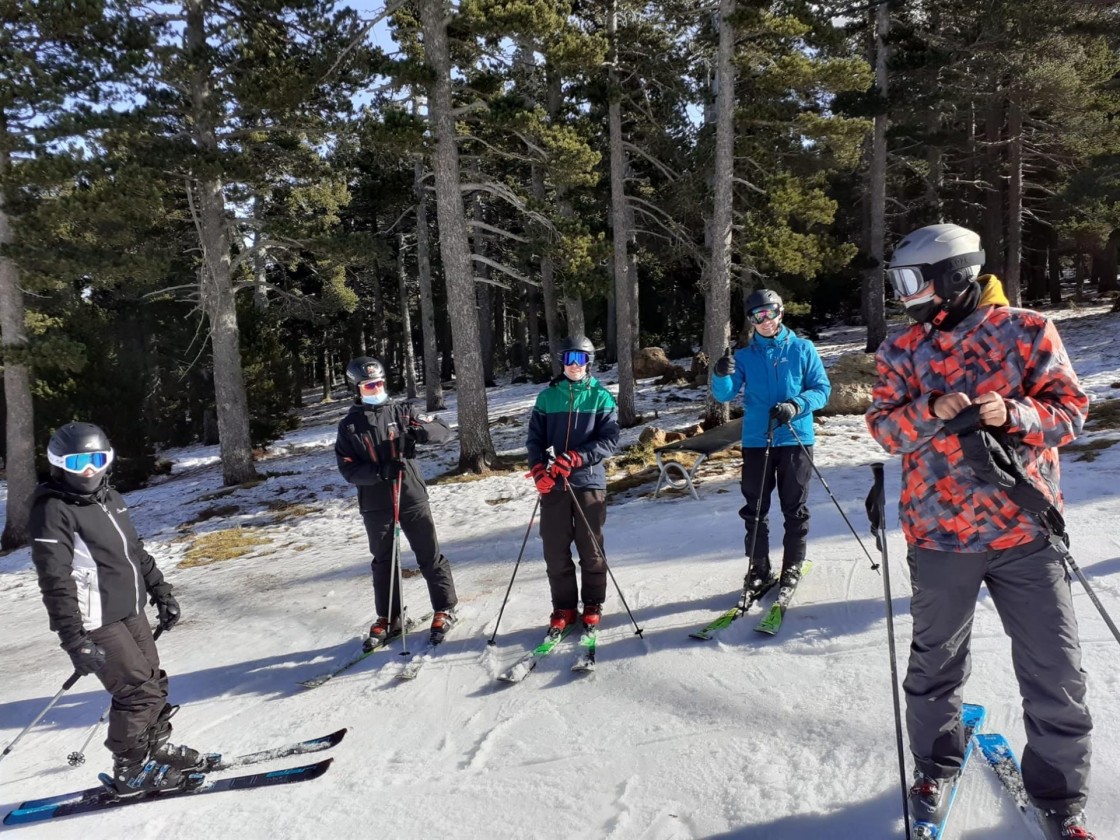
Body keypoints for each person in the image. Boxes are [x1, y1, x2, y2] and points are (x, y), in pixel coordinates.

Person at [866, 223, 1095, 840]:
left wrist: (1014, 413)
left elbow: (1071, 410)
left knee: (1055, 670)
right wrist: (930, 409)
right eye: (899, 282)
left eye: (912, 281)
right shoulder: (901, 349)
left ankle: (1060, 795)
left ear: (953, 277)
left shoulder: (1026, 331)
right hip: (939, 537)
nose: (905, 295)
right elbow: (884, 432)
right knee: (936, 664)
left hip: (1025, 533)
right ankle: (934, 767)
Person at [29, 422, 198, 795]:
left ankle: (155, 749)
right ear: (59, 463)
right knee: (137, 693)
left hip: (129, 607)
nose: (88, 470)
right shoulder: (53, 510)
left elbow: (133, 551)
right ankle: (129, 770)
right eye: (77, 462)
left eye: (95, 459)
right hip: (94, 618)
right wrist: (74, 639)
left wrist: (160, 590)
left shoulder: (110, 497)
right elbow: (54, 580)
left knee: (153, 681)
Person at [710, 289, 832, 593]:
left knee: (794, 507)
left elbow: (822, 389)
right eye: (757, 316)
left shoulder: (803, 349)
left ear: (781, 311)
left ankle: (792, 566)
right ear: (751, 320)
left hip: (795, 438)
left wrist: (796, 405)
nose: (765, 321)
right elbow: (724, 394)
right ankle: (758, 568)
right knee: (755, 509)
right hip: (757, 440)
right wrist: (720, 374)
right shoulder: (744, 357)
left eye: (770, 313)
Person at [335, 356, 458, 649]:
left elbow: (443, 430)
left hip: (411, 494)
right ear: (357, 389)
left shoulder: (403, 411)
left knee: (428, 552)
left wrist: (421, 432)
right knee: (383, 561)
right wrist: (378, 472)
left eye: (378, 383)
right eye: (368, 385)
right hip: (376, 501)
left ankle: (445, 607)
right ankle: (390, 617)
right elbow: (347, 468)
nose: (375, 388)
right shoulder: (349, 426)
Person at [525, 336, 620, 632]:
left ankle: (592, 602)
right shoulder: (547, 397)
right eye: (569, 359)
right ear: (561, 362)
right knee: (555, 548)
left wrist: (577, 458)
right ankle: (564, 606)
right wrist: (538, 467)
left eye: (580, 359)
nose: (574, 366)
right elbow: (535, 440)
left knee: (590, 547)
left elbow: (610, 440)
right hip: (554, 484)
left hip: (589, 482)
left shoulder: (601, 397)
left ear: (589, 362)